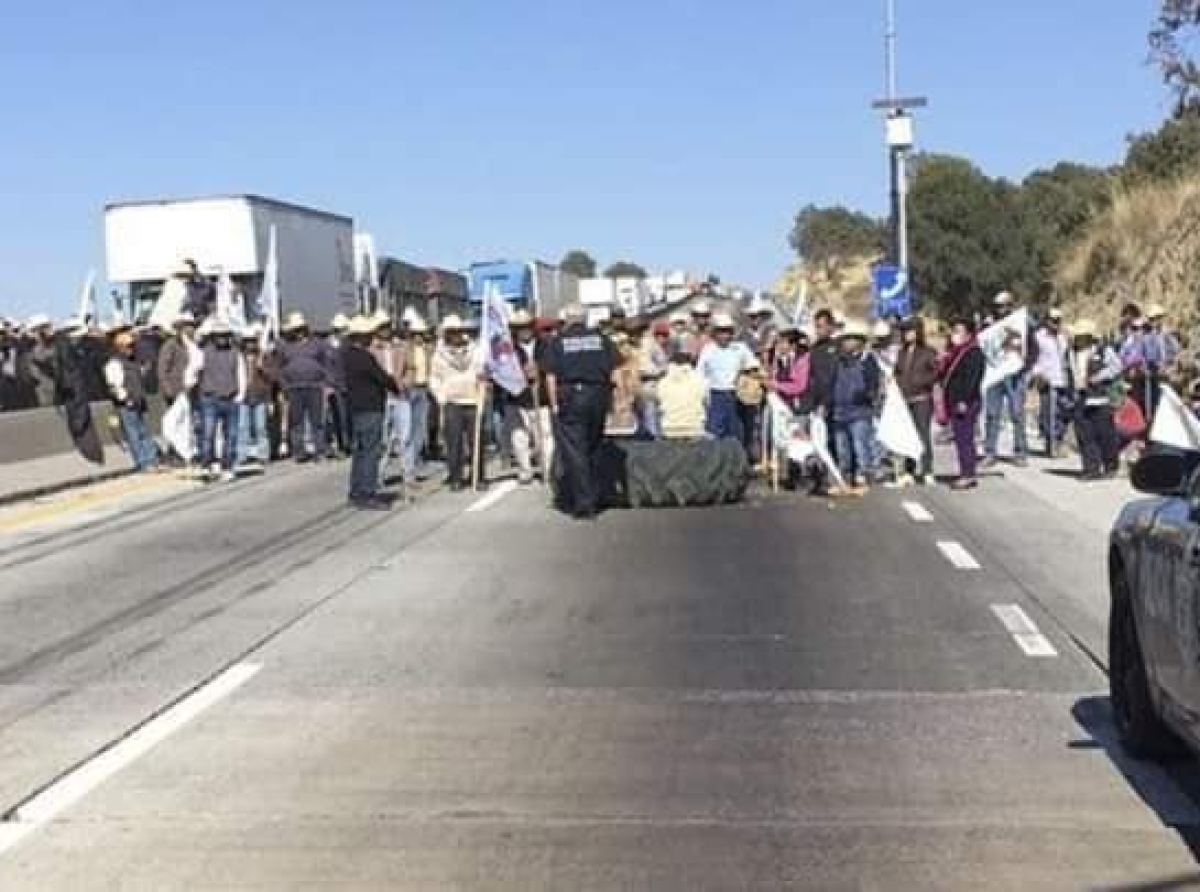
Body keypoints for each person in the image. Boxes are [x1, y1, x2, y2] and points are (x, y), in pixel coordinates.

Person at [543, 304, 618, 519]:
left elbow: (550, 375)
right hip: (598, 395)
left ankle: (584, 504)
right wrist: (612, 400)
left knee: (575, 450)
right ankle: (597, 493)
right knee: (594, 445)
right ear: (585, 319)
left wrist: (554, 403)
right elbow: (615, 369)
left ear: (567, 320)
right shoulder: (601, 339)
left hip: (571, 396)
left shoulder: (558, 342)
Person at [342, 315, 399, 509]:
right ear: (361, 336)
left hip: (355, 409)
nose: (371, 338)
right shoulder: (364, 357)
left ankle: (356, 491)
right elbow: (382, 378)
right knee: (370, 451)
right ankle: (367, 493)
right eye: (368, 335)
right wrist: (394, 385)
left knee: (359, 452)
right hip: (370, 408)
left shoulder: (347, 355)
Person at [430, 314, 484, 491]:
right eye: (451, 332)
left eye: (457, 331)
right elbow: (434, 378)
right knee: (453, 442)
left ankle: (478, 475)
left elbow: (481, 369)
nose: (455, 335)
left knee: (476, 440)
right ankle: (456, 477)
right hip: (452, 402)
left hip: (473, 399)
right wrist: (441, 397)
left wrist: (483, 380)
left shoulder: (475, 349)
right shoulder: (439, 355)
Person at [829, 321, 881, 491]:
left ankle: (863, 475)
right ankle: (844, 476)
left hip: (860, 411)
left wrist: (869, 394)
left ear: (859, 341)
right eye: (845, 339)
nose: (847, 343)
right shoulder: (838, 361)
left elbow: (874, 383)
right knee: (842, 447)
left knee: (860, 444)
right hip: (839, 411)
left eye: (851, 339)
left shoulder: (868, 359)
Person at [1069, 319, 1123, 480]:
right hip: (1080, 397)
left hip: (1101, 398)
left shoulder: (1103, 350)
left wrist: (1099, 377)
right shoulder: (1071, 352)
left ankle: (1110, 467)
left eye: (1081, 336)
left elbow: (1117, 366)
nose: (1078, 339)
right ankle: (1090, 469)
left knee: (1105, 434)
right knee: (1085, 435)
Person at [982, 302, 1030, 469]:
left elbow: (1032, 346)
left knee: (1017, 413)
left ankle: (1020, 452)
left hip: (1014, 374)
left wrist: (1026, 366)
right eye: (998, 306)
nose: (1001, 309)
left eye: (1004, 306)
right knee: (991, 414)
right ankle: (990, 452)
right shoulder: (989, 324)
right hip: (995, 374)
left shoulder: (1020, 323)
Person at [941, 318, 987, 491]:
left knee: (965, 439)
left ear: (968, 334)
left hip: (966, 402)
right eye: (954, 330)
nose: (955, 335)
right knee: (960, 439)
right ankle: (966, 472)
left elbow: (972, 380)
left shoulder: (973, 353)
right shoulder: (956, 352)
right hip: (954, 401)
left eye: (959, 331)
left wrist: (963, 400)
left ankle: (967, 474)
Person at [198, 318, 246, 482]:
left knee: (231, 435)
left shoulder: (235, 353)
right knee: (208, 434)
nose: (222, 338)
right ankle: (207, 465)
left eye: (225, 335)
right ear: (213, 337)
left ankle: (227, 466)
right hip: (210, 398)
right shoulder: (203, 352)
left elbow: (241, 374)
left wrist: (240, 395)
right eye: (218, 335)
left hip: (231, 398)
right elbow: (194, 369)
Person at [104, 331, 159, 472]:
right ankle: (143, 462)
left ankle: (152, 459)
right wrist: (125, 399)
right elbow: (114, 385)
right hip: (127, 403)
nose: (131, 348)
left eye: (132, 345)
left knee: (143, 432)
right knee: (133, 434)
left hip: (138, 401)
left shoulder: (132, 362)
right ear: (120, 347)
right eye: (128, 346)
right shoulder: (114, 364)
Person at [277, 312, 328, 462]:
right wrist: (284, 385)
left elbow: (325, 363)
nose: (298, 333)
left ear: (305, 328)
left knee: (316, 421)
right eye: (295, 330)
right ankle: (299, 451)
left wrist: (325, 381)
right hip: (294, 388)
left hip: (314, 387)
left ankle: (319, 450)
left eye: (300, 329)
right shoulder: (286, 347)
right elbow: (280, 367)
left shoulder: (317, 344)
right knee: (296, 421)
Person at [696, 312, 755, 441]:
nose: (725, 335)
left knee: (735, 434)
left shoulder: (740, 349)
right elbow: (699, 375)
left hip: (736, 396)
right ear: (715, 333)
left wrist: (745, 376)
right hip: (716, 396)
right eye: (721, 331)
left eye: (728, 331)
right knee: (713, 434)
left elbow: (753, 366)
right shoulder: (708, 350)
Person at [894, 317, 938, 485]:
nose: (907, 334)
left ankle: (927, 469)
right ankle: (909, 469)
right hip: (905, 399)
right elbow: (897, 371)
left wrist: (922, 382)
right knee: (907, 435)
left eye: (910, 331)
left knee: (923, 434)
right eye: (904, 331)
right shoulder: (901, 352)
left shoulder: (928, 351)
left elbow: (936, 372)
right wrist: (896, 382)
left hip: (922, 399)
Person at [370, 313, 411, 480]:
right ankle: (378, 475)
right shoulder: (372, 349)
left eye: (386, 326)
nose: (385, 330)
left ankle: (408, 474)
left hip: (400, 395)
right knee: (383, 440)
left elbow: (410, 368)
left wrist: (406, 382)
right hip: (381, 397)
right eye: (381, 327)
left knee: (405, 438)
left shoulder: (400, 346)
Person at [1032, 308, 1070, 457]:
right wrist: (1038, 374)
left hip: (1063, 380)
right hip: (1047, 380)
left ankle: (1059, 439)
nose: (1056, 324)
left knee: (1064, 413)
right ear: (1047, 321)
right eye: (1053, 320)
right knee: (1049, 414)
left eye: (1058, 321)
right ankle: (1051, 444)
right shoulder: (1038, 337)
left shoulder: (1063, 338)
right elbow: (1033, 358)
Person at [237, 326, 277, 467]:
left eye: (253, 341)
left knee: (261, 427)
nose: (250, 344)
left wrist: (262, 368)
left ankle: (263, 455)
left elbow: (273, 377)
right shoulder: (238, 357)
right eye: (247, 342)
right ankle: (242, 455)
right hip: (243, 397)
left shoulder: (263, 357)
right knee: (243, 428)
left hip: (260, 397)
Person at [405, 316, 434, 478]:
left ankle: (417, 458)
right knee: (409, 426)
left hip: (424, 389)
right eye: (415, 334)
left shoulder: (428, 349)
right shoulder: (405, 349)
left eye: (420, 334)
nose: (418, 337)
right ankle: (412, 460)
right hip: (411, 389)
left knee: (421, 426)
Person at [658, 352, 707, 440]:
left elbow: (660, 402)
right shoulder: (700, 380)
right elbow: (706, 402)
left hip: (669, 429)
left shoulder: (663, 382)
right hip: (694, 428)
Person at [323, 313, 352, 458]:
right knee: (339, 417)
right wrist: (328, 385)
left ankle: (349, 443)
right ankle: (343, 444)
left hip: (349, 385)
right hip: (336, 387)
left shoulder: (348, 344)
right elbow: (327, 368)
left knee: (349, 416)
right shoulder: (327, 346)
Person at [637, 321, 671, 439]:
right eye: (659, 335)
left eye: (664, 335)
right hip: (648, 385)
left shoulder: (663, 347)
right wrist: (661, 371)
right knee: (650, 416)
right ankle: (652, 439)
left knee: (659, 417)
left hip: (659, 386)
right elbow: (643, 368)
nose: (662, 337)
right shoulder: (648, 344)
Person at [604, 332, 640, 437]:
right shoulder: (606, 358)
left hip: (626, 398)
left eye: (622, 344)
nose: (621, 347)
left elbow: (635, 381)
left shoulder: (633, 357)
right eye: (616, 344)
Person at [24, 315, 58, 407]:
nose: (41, 332)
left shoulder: (59, 345)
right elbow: (34, 373)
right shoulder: (31, 351)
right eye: (36, 330)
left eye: (44, 327)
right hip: (45, 392)